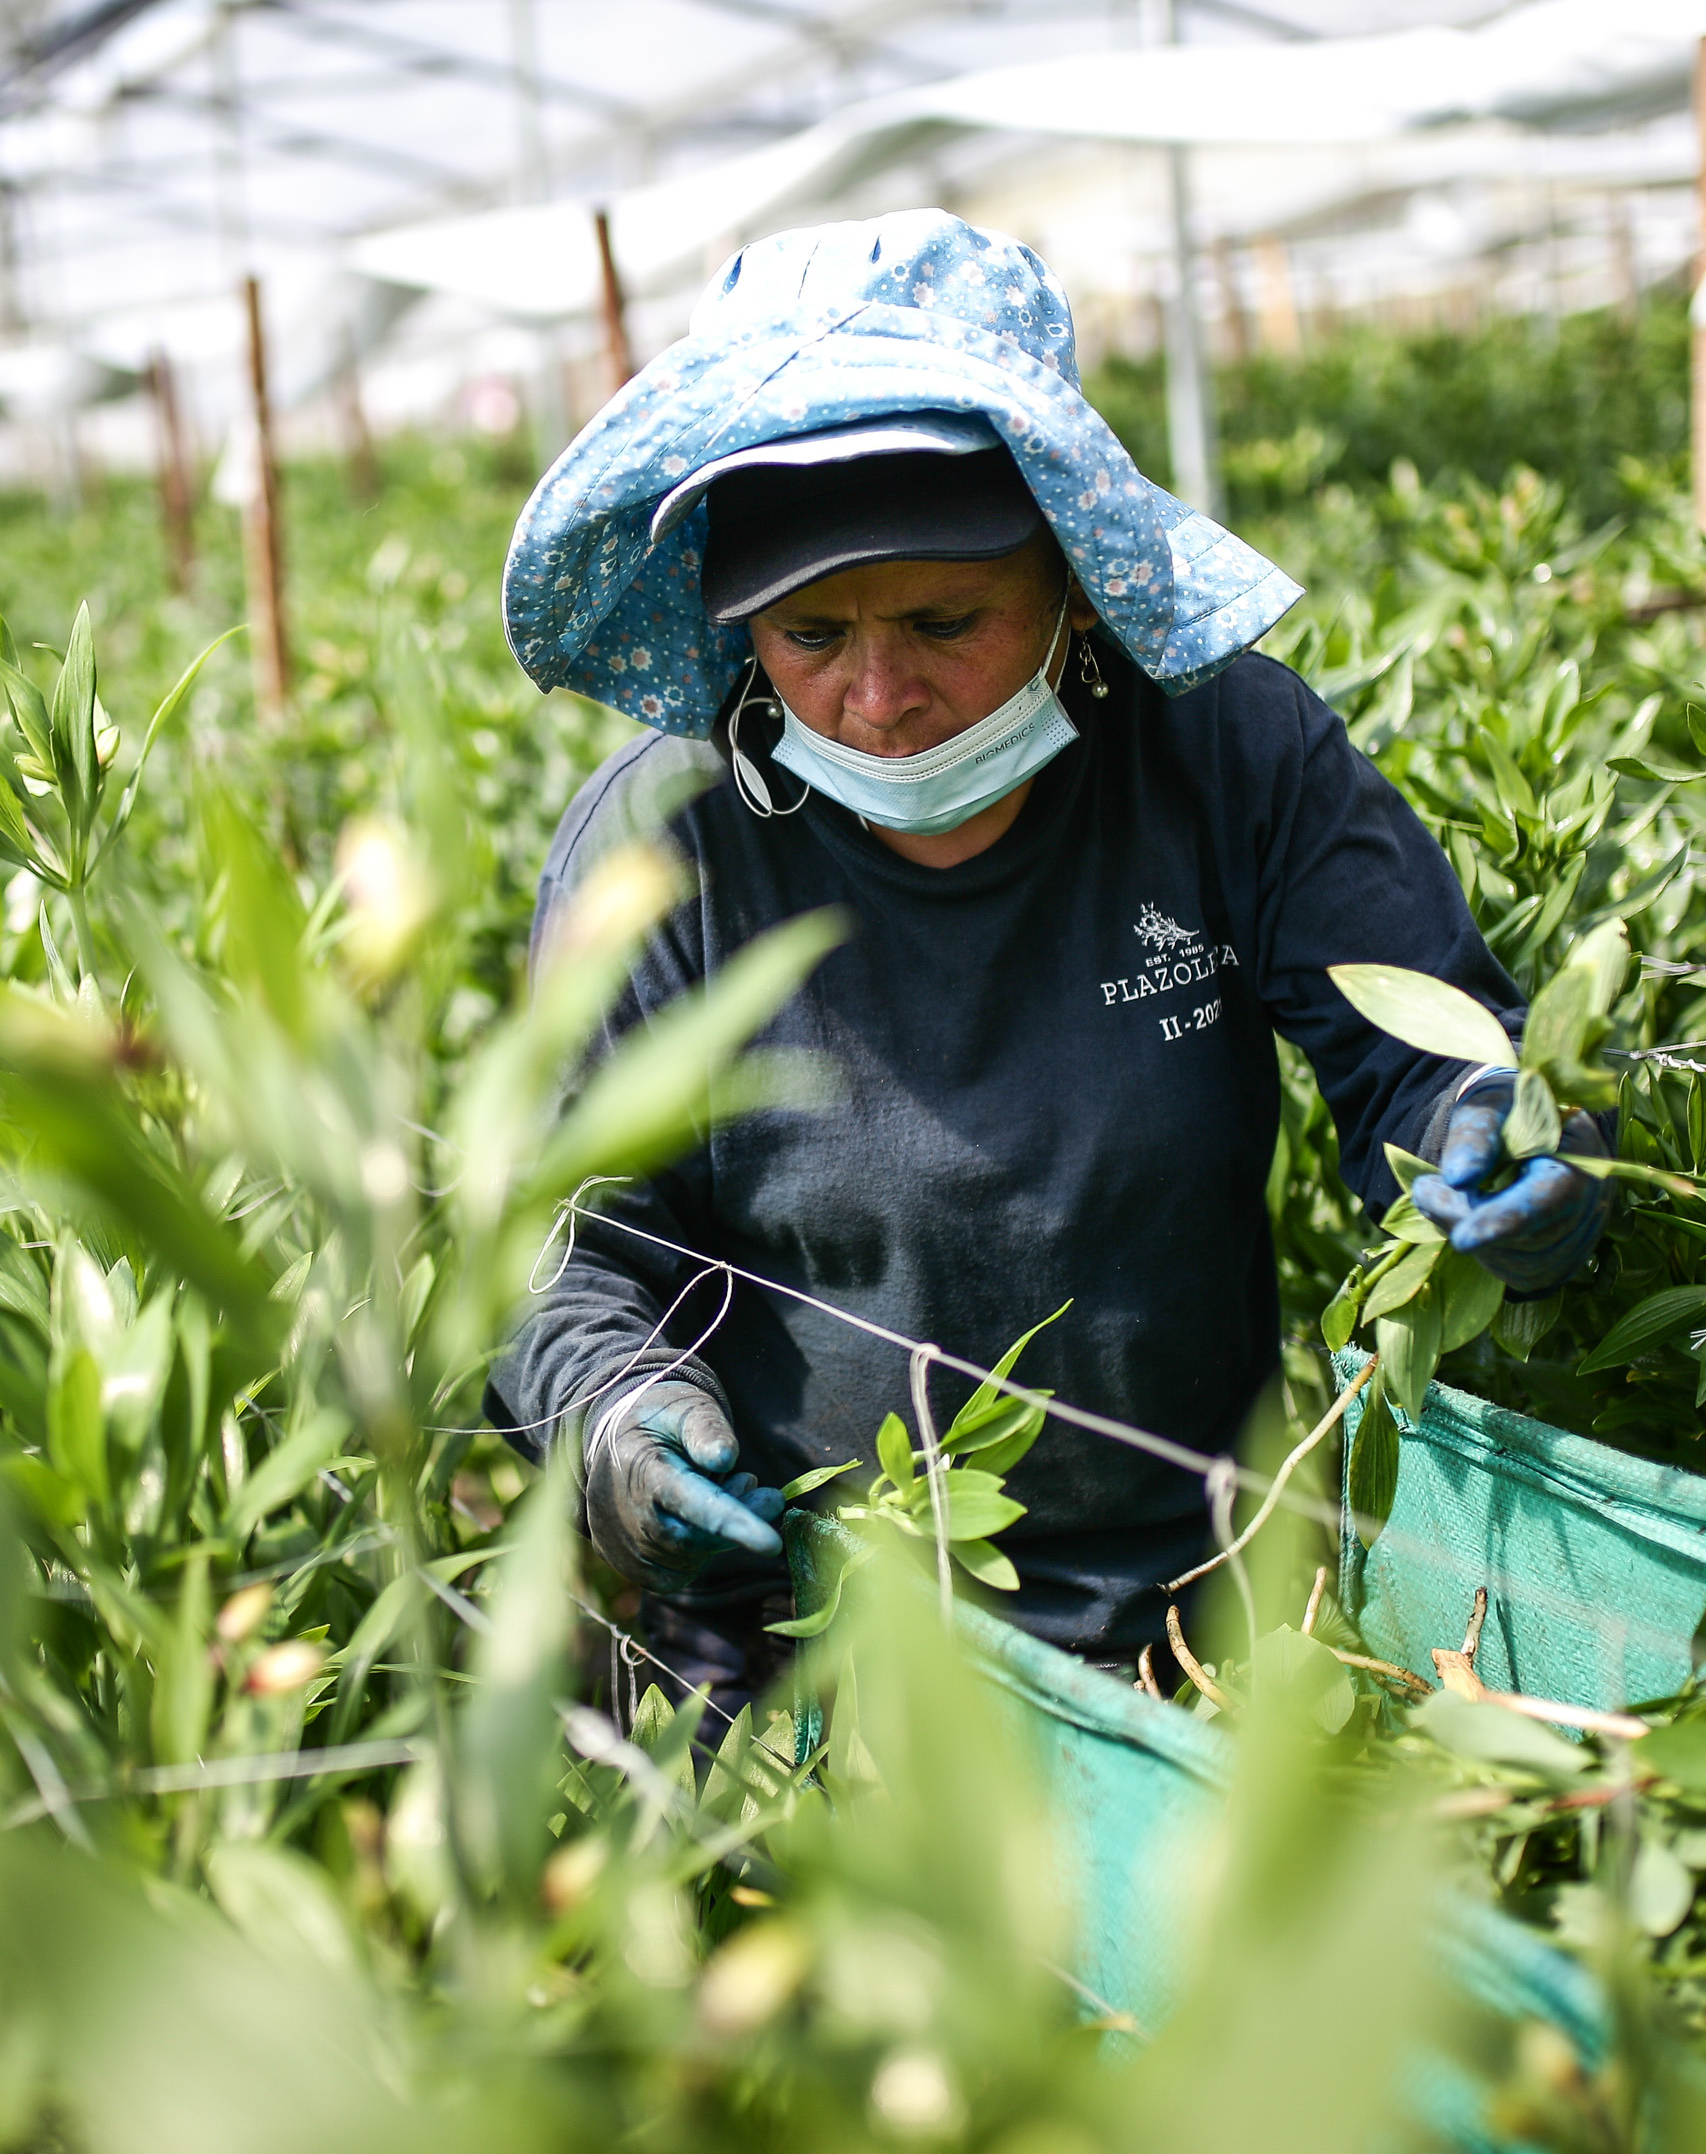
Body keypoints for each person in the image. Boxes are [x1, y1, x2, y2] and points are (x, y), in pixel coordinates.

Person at [490, 210, 1605, 1738]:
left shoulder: (1223, 751)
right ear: (738, 625)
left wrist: (1501, 1138)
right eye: (812, 634)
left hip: (1211, 1630)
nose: (879, 697)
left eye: (946, 620)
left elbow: (1423, 1053)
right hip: (809, 1652)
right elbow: (563, 1249)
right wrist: (621, 1426)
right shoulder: (664, 849)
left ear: (1074, 576)